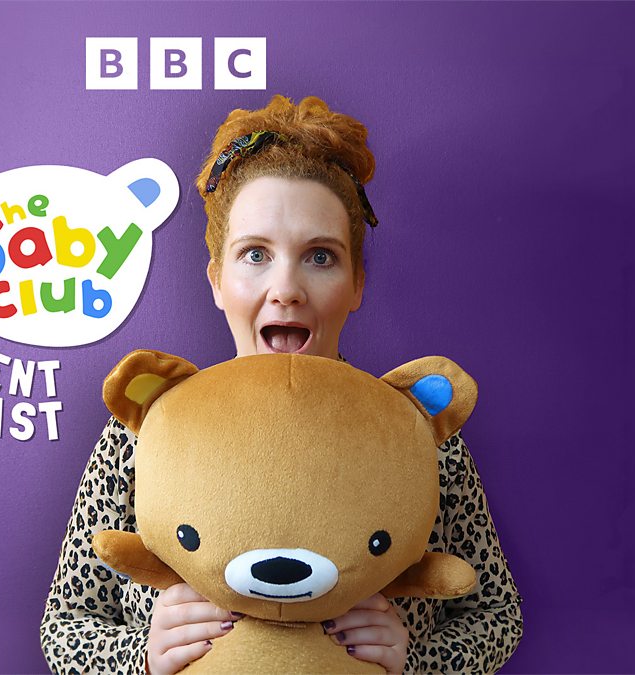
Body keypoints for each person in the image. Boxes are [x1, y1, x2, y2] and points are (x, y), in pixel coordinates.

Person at [40, 96, 523, 674]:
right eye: (255, 254)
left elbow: (496, 613)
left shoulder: (414, 435)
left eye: (320, 256)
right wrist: (138, 657)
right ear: (217, 280)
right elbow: (65, 625)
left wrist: (418, 662)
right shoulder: (146, 432)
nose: (287, 288)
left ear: (356, 283)